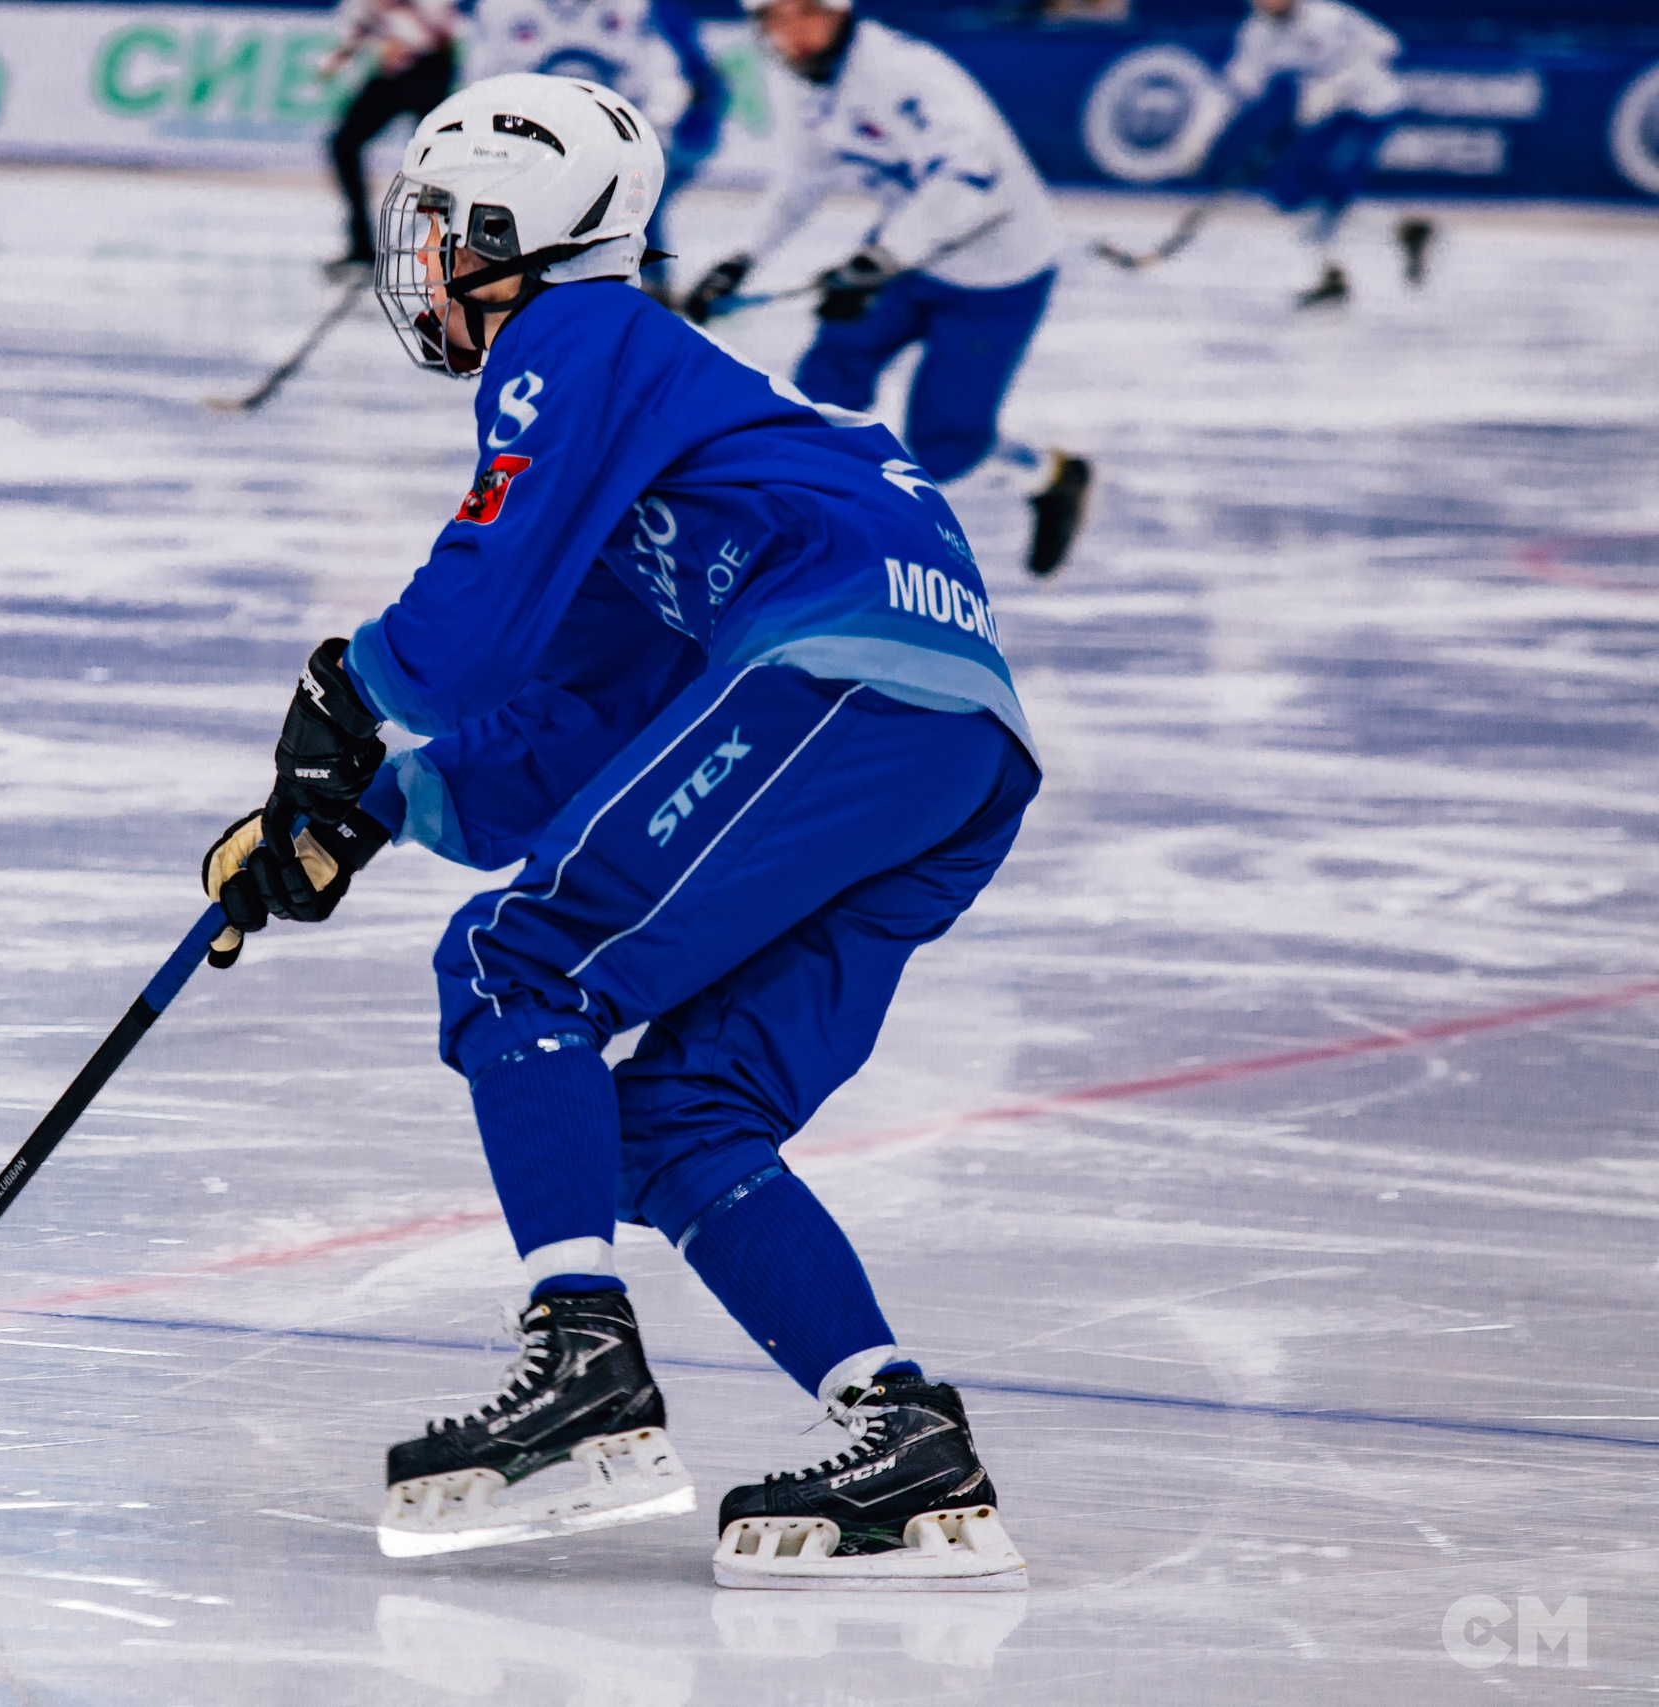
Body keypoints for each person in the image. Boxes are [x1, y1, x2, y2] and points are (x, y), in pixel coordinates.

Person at [201, 72, 1036, 1588]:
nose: (429, 260)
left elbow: (480, 581)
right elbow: (581, 701)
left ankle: (586, 1379)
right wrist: (373, 807)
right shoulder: (674, 416)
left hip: (847, 682)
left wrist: (347, 693)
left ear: (520, 232)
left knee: (524, 969)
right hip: (952, 743)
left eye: (445, 226)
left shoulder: (576, 335)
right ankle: (909, 1442)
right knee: (684, 1115)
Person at [680, 0, 1090, 578]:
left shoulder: (906, 74)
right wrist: (740, 260)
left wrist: (880, 260)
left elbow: (974, 180)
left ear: (840, 12)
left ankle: (1051, 476)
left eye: (807, 13)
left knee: (946, 448)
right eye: (776, 18)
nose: (793, 33)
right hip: (905, 255)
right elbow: (803, 177)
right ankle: (812, 538)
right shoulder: (808, 76)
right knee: (820, 394)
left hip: (995, 273)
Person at [462, 0, 727, 291]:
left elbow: (665, 77)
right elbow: (480, 84)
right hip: (532, 141)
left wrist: (647, 139)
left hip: (618, 135)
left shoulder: (636, 7)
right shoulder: (498, 9)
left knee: (632, 194)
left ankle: (641, 280)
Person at [1203, 0, 1425, 308]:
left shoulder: (1327, 16)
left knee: (1334, 185)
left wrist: (1337, 84)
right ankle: (1372, 245)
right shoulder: (1256, 32)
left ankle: (1379, 243)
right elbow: (1240, 82)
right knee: (1289, 189)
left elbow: (1387, 45)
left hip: (1372, 108)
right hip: (1326, 116)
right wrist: (1202, 137)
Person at [318, 0, 463, 281]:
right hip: (405, 70)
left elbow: (443, 26)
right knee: (344, 144)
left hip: (428, 67)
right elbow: (361, 22)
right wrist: (342, 55)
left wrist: (407, 37)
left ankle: (455, 245)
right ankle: (361, 245)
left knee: (439, 155)